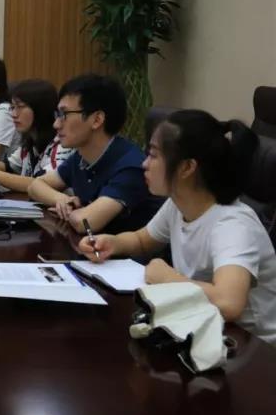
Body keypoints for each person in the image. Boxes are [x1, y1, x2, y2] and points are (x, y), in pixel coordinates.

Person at [79, 110, 276, 345]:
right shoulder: (179, 203)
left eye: (153, 156)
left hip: (252, 349)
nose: (144, 164)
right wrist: (112, 243)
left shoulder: (233, 225)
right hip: (204, 328)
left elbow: (229, 302)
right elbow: (143, 240)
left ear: (186, 167)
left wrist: (167, 277)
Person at [29, 74, 160, 233]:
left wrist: (73, 211)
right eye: (57, 115)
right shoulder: (81, 157)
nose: (56, 124)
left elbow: (86, 223)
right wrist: (62, 200)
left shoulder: (130, 167)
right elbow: (35, 186)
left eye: (64, 115)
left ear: (97, 120)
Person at [0, 79, 73, 193]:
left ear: (40, 109)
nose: (13, 114)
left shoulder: (61, 145)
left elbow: (40, 184)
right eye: (12, 107)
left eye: (20, 107)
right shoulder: (30, 140)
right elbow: (10, 167)